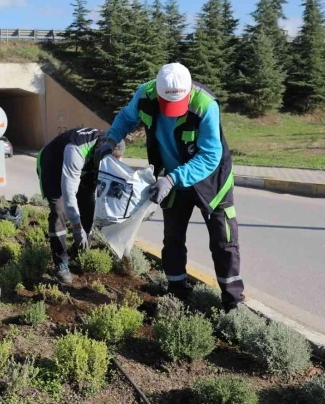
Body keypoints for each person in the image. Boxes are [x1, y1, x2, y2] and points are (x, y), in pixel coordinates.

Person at [95, 62, 244, 312]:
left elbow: (210, 156)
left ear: (188, 92)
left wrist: (173, 178)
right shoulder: (145, 94)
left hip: (211, 180)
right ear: (158, 91)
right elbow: (126, 117)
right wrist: (111, 139)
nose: (173, 112)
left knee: (224, 239)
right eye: (168, 105)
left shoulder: (205, 105)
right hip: (171, 178)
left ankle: (233, 301)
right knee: (173, 236)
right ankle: (177, 292)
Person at [36, 127, 125, 284]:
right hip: (53, 164)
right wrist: (77, 227)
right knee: (59, 210)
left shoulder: (111, 154)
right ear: (99, 151)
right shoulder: (76, 151)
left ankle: (78, 253)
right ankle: (61, 262)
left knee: (88, 204)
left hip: (85, 166)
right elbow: (69, 194)